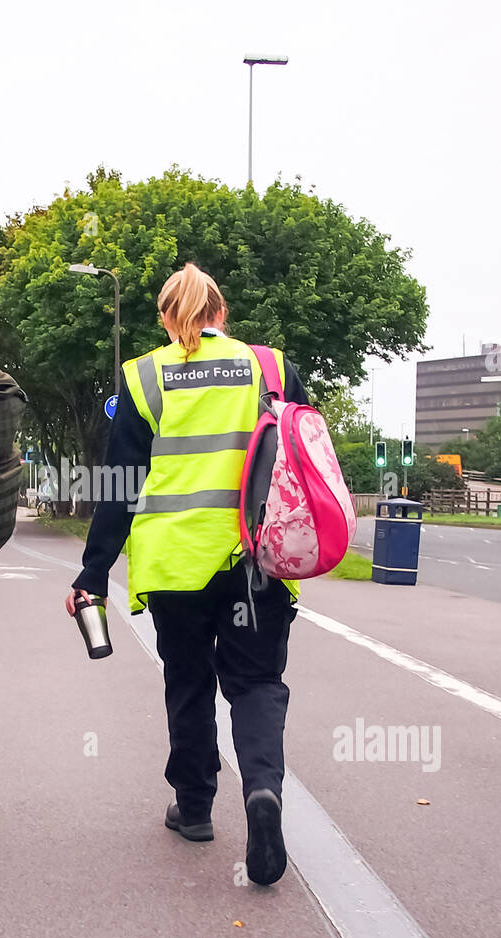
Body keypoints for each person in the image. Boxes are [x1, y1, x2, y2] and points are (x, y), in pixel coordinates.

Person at [64, 263, 311, 886]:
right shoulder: (271, 368)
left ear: (166, 319)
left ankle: (196, 807)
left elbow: (117, 489)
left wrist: (92, 572)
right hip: (256, 560)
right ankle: (262, 791)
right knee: (256, 685)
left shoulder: (144, 376)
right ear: (221, 312)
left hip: (175, 564)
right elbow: (301, 456)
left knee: (189, 685)